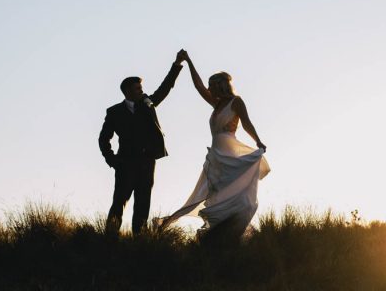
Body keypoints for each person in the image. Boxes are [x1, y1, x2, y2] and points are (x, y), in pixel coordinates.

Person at [158, 50, 270, 243]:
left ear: (221, 86)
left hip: (229, 153)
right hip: (216, 155)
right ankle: (198, 227)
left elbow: (246, 123)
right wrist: (189, 62)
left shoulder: (236, 102)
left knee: (236, 193)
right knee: (209, 192)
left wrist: (257, 140)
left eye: (213, 85)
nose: (209, 89)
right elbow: (198, 86)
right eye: (209, 85)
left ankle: (233, 229)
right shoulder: (215, 103)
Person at [98, 50, 186, 236]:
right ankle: (109, 239)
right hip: (125, 163)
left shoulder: (148, 104)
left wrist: (177, 64)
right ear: (128, 91)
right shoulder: (114, 112)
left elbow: (165, 87)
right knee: (119, 202)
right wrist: (112, 160)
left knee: (143, 203)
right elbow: (103, 138)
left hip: (147, 163)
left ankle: (140, 239)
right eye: (138, 89)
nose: (142, 91)